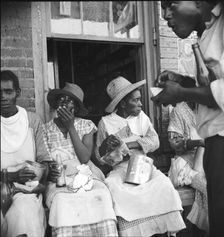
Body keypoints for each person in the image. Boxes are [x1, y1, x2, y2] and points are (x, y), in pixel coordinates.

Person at [152, 2, 224, 236]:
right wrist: (183, 81)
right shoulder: (207, 31)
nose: (165, 16)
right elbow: (213, 87)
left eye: (171, 4)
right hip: (214, 142)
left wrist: (182, 93)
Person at [95, 76, 186, 237]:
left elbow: (155, 141)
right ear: (123, 104)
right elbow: (99, 156)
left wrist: (130, 144)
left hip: (143, 165)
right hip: (121, 169)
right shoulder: (106, 123)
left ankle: (160, 230)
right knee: (114, 188)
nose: (140, 104)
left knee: (163, 184)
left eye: (140, 100)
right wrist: (114, 152)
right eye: (135, 100)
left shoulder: (142, 118)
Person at [43, 82, 118, 237]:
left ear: (76, 108)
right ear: (56, 104)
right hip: (60, 178)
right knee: (61, 202)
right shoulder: (45, 129)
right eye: (61, 99)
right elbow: (45, 162)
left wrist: (71, 127)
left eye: (69, 100)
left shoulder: (86, 125)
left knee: (102, 197)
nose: (64, 102)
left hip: (86, 175)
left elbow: (84, 158)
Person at [0, 70, 51, 237]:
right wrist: (10, 176)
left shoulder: (32, 120)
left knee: (23, 214)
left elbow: (44, 161)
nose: (3, 97)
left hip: (26, 191)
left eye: (8, 91)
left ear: (18, 93)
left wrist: (39, 174)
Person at [167, 101, 208, 233]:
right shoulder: (179, 110)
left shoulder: (210, 109)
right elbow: (175, 142)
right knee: (208, 187)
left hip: (206, 158)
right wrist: (198, 142)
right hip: (184, 163)